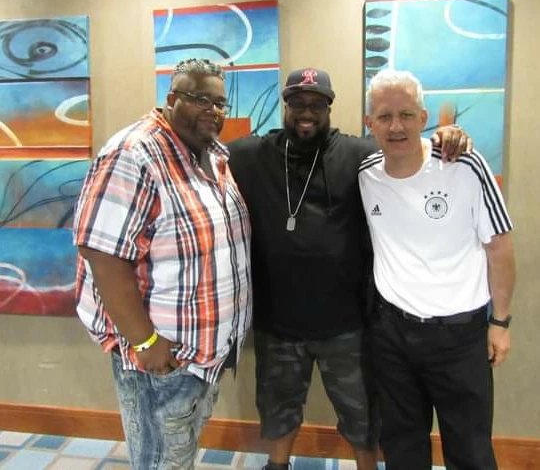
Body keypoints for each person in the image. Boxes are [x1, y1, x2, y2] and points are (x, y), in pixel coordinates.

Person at [228, 67, 470, 470]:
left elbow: (407, 148)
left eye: (317, 105)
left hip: (348, 323)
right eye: (298, 103)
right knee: (277, 411)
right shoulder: (249, 156)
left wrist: (446, 137)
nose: (307, 113)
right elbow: (200, 151)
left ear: (329, 109)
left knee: (363, 419)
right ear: (286, 107)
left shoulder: (361, 156)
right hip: (277, 322)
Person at [73, 58, 252, 470]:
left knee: (177, 456)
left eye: (219, 103)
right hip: (161, 360)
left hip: (200, 356)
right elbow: (102, 255)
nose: (213, 110)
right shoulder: (133, 154)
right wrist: (145, 343)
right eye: (200, 99)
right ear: (171, 99)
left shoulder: (211, 155)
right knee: (159, 462)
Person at [358, 69, 515, 470]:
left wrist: (500, 322)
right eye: (385, 116)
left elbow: (499, 247)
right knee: (402, 447)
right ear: (369, 122)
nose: (396, 127)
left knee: (470, 451)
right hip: (391, 334)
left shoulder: (464, 165)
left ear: (424, 118)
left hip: (459, 335)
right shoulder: (365, 173)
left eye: (406, 115)